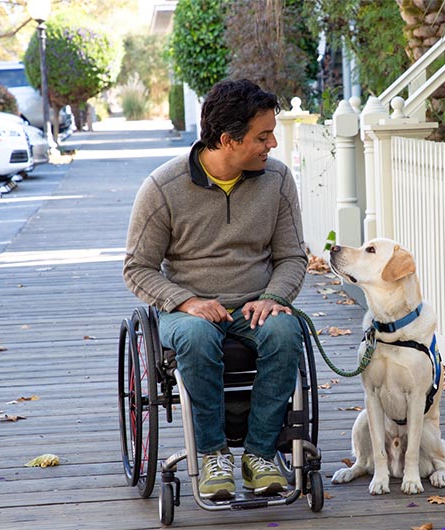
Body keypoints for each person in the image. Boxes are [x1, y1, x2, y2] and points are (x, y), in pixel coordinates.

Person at [123, 79, 307, 500]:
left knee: (284, 331)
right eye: (262, 136)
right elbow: (137, 268)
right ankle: (212, 455)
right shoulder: (162, 188)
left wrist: (274, 298)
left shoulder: (277, 180)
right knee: (196, 335)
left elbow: (293, 257)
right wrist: (185, 301)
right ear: (228, 140)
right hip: (186, 312)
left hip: (254, 306)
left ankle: (260, 454)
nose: (272, 144)